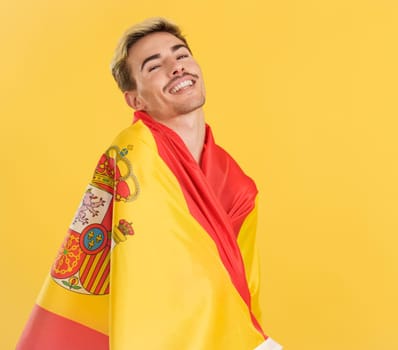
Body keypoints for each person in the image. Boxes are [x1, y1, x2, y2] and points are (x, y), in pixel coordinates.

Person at [17, 17, 281, 350]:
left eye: (181, 55)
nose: (176, 68)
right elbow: (151, 271)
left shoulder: (235, 180)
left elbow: (243, 285)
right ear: (136, 101)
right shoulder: (134, 154)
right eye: (154, 66)